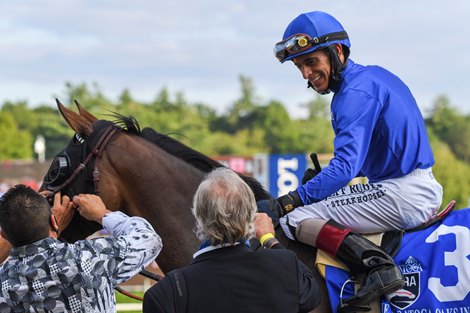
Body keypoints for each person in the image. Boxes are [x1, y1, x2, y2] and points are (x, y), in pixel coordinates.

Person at [266, 10, 444, 307]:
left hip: (404, 193)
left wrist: (288, 200)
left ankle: (378, 266)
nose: (306, 74)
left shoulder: (353, 93)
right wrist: (322, 182)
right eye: (299, 66)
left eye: (311, 62)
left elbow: (345, 168)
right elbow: (376, 155)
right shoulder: (370, 78)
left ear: (336, 52)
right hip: (408, 186)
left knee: (294, 217)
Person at [143, 168, 320, 313]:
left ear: (198, 217)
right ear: (252, 214)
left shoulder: (166, 293)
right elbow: (311, 297)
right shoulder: (287, 266)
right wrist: (268, 239)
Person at [0, 184, 162, 312]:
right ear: (53, 221)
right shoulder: (86, 258)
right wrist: (103, 214)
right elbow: (150, 239)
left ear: (3, 235)